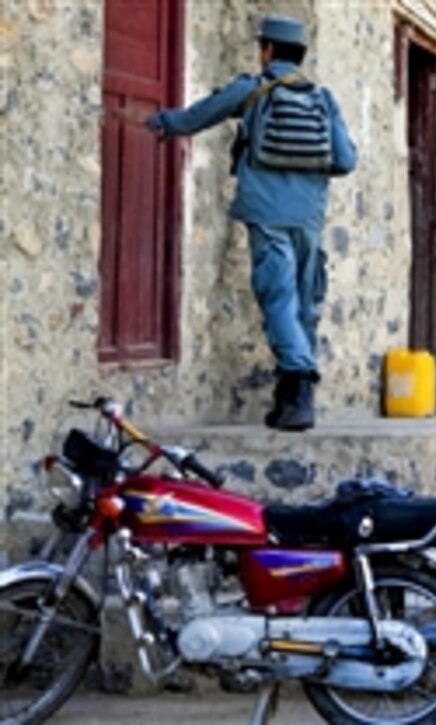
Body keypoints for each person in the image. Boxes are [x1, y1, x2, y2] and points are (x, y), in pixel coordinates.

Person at [121, 14, 357, 431]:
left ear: (266, 51)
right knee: (303, 302)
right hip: (309, 217)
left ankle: (298, 384)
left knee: (278, 297)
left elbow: (197, 117)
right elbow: (345, 160)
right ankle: (292, 401)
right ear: (300, 55)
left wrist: (158, 123)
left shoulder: (252, 90)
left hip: (265, 212)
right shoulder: (324, 98)